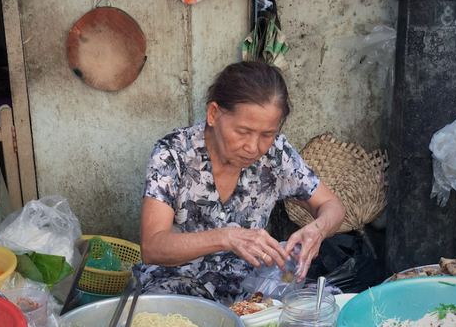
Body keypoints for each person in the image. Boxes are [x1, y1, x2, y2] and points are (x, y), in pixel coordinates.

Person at [134, 61, 345, 305]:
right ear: (214, 114)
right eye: (243, 132)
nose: (254, 147)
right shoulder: (173, 153)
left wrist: (317, 230)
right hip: (176, 283)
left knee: (327, 304)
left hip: (248, 285)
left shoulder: (276, 154)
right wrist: (227, 237)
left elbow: (332, 206)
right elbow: (152, 247)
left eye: (267, 134)